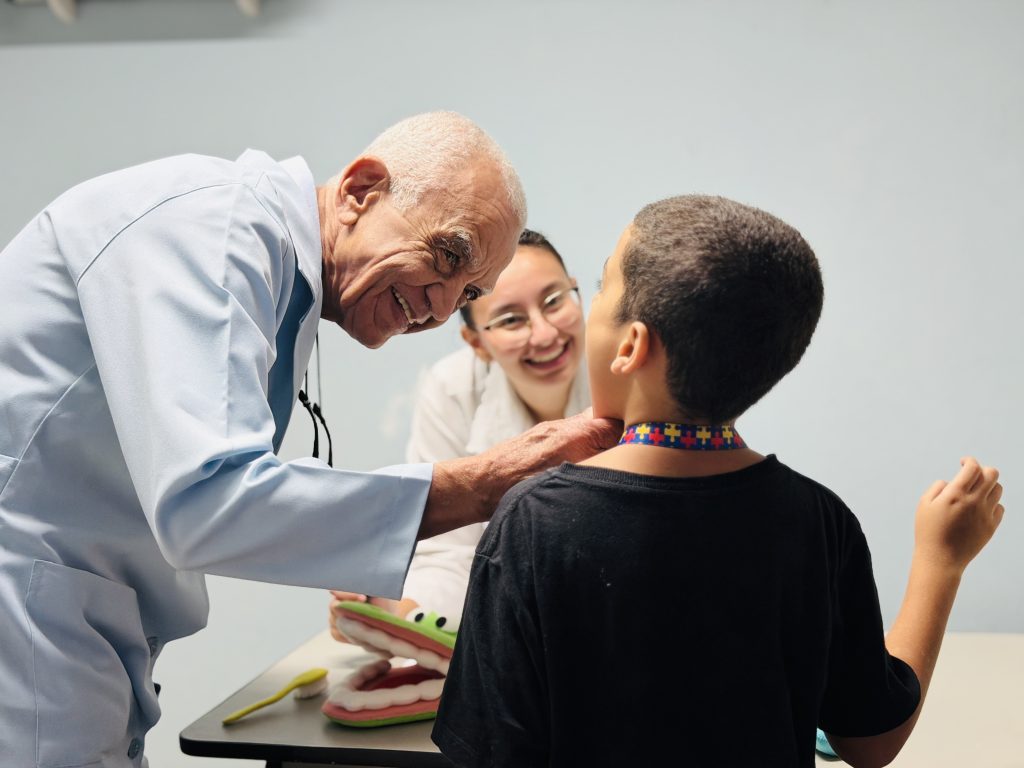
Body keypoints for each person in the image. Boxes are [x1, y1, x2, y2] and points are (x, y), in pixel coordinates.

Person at [0, 111, 619, 767]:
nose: (440, 310)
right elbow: (209, 502)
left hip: (85, 626)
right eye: (447, 257)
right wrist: (480, 484)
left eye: (466, 291)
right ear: (359, 191)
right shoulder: (216, 226)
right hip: (32, 617)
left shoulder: (276, 278)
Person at [432, 195, 1004, 767]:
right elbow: (870, 742)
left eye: (602, 287)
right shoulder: (817, 520)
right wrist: (941, 562)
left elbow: (490, 755)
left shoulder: (531, 522)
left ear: (631, 346)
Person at [329, 228, 590, 629]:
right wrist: (400, 611)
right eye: (510, 320)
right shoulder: (451, 390)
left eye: (554, 301)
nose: (544, 334)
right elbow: (450, 552)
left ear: (577, 291)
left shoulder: (627, 368)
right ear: (476, 342)